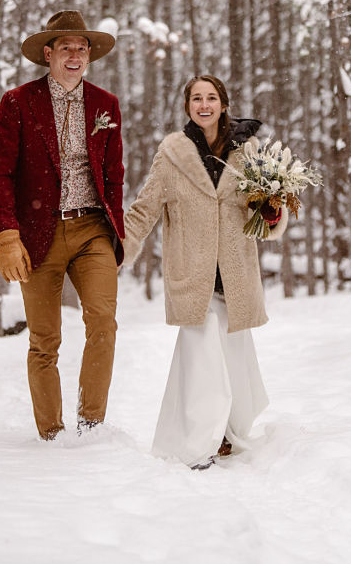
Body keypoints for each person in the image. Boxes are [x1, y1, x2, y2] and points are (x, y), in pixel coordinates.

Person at [122, 74, 287, 469]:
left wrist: (271, 210)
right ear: (187, 106)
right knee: (201, 362)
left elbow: (259, 216)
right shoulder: (172, 153)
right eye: (196, 98)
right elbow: (146, 207)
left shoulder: (248, 151)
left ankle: (228, 434)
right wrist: (119, 247)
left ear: (224, 104)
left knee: (232, 359)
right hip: (192, 273)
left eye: (211, 97)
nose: (204, 104)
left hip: (233, 273)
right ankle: (198, 444)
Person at [0, 10, 124, 440]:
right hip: (36, 235)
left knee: (102, 321)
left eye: (82, 49)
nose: (76, 55)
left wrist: (117, 233)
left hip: (92, 230)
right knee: (44, 339)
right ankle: (52, 433)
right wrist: (8, 236)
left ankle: (91, 425)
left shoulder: (106, 105)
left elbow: (115, 174)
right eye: (66, 47)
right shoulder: (18, 101)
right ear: (48, 54)